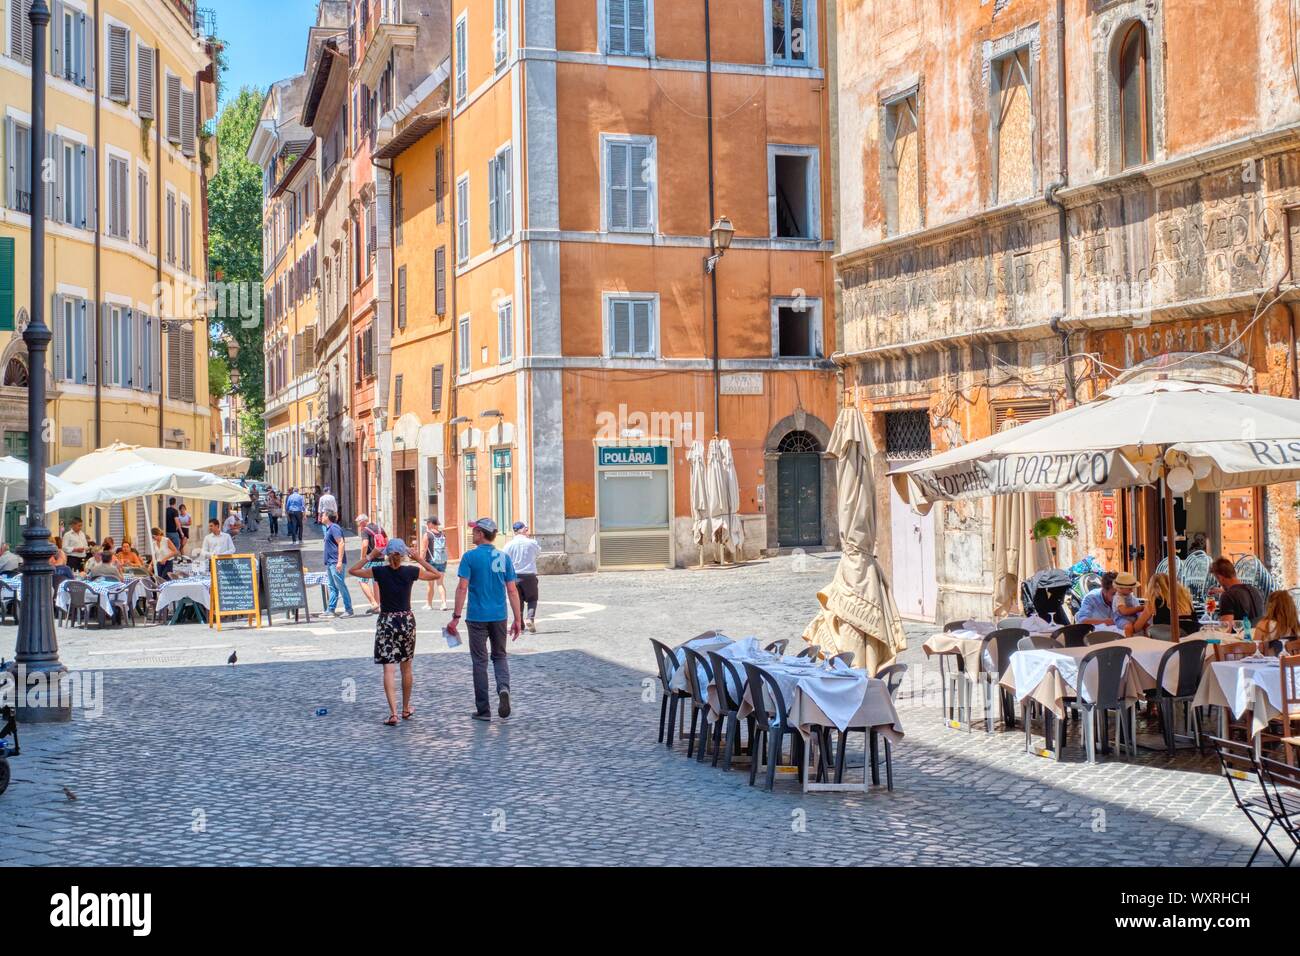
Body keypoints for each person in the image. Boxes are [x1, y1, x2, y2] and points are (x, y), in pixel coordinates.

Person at [349, 539, 443, 725]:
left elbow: (353, 571)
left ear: (386, 554)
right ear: (404, 555)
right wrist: (419, 559)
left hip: (386, 621)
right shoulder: (411, 571)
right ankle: (406, 708)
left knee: (388, 669)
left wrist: (370, 556)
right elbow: (436, 574)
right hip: (406, 620)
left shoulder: (379, 571)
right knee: (406, 667)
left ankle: (393, 713)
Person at [446, 517, 523, 722]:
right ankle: (504, 688)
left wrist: (455, 617)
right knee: (499, 656)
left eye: (475, 531)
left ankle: (483, 710)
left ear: (481, 534)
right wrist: (518, 619)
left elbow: (462, 588)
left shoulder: (470, 557)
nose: (472, 533)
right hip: (499, 615)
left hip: (477, 616)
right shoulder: (503, 557)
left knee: (479, 661)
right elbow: (512, 590)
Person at [1126, 572, 1193, 636]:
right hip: (1191, 637)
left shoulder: (1154, 602)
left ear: (1152, 588)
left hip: (1168, 640)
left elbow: (1136, 628)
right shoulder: (1185, 599)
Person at [504, 521, 542, 633]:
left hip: (514, 576)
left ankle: (519, 623)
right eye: (526, 529)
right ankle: (530, 618)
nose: (527, 531)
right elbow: (538, 553)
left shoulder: (508, 545)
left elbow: (504, 559)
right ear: (521, 530)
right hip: (529, 574)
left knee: (518, 601)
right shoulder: (532, 543)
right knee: (532, 599)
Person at [1209, 556, 1265, 629]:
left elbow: (1225, 629)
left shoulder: (1228, 596)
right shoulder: (1255, 591)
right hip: (1257, 637)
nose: (1219, 583)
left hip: (1237, 639)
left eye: (1217, 579)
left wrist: (1210, 629)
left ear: (1220, 577)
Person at [1076, 570, 1140, 628]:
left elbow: (1139, 613)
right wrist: (1104, 622)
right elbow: (1082, 620)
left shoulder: (1125, 595)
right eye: (1114, 594)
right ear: (1104, 590)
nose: (1118, 596)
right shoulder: (1091, 598)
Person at [323, 511, 354, 617]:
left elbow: (341, 543)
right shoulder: (329, 529)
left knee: (340, 585)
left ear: (327, 517)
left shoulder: (334, 528)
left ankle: (349, 609)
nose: (321, 517)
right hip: (330, 562)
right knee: (332, 586)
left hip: (336, 562)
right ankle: (330, 610)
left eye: (323, 515)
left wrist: (339, 561)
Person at [355, 515, 384, 614]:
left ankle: (373, 603)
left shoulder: (365, 531)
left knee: (361, 580)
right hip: (380, 559)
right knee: (377, 582)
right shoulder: (380, 528)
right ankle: (378, 606)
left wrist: (363, 558)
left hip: (370, 559)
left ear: (363, 521)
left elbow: (365, 544)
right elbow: (387, 542)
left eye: (358, 523)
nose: (358, 526)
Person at [422, 517, 449, 610]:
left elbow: (424, 550)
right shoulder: (443, 534)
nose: (426, 524)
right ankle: (444, 603)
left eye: (427, 522)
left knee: (430, 584)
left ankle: (429, 604)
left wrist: (421, 562)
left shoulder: (427, 535)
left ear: (431, 524)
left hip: (431, 562)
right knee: (440, 583)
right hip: (442, 561)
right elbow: (445, 548)